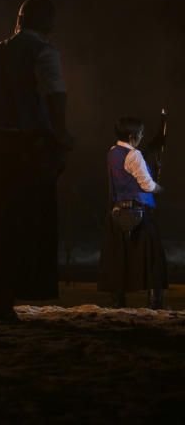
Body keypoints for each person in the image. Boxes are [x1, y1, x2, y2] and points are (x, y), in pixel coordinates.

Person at [0, 0, 73, 321]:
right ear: (47, 23)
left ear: (19, 20)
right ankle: (8, 296)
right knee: (24, 223)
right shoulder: (43, 52)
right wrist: (59, 136)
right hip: (26, 149)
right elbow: (55, 94)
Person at [98, 116, 168, 309]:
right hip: (138, 212)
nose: (141, 136)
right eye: (140, 134)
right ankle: (156, 303)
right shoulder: (134, 155)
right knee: (154, 258)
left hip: (117, 213)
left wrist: (154, 144)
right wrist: (159, 189)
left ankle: (117, 302)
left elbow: (132, 160)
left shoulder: (112, 152)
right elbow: (146, 184)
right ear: (132, 135)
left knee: (119, 258)